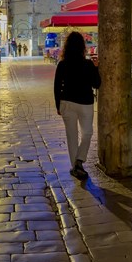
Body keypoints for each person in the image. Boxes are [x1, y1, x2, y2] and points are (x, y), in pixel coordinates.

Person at [53, 31, 101, 179]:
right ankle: (78, 162)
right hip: (85, 103)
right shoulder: (87, 64)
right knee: (87, 133)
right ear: (82, 47)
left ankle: (76, 165)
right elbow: (97, 84)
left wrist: (58, 105)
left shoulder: (62, 64)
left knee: (71, 136)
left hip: (66, 103)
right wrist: (96, 68)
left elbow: (56, 86)